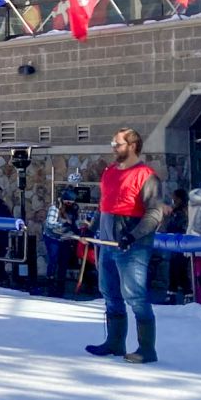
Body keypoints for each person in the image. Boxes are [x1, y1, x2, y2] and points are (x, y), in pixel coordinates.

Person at [85, 128, 163, 364]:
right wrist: (90, 228)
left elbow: (155, 213)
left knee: (136, 297)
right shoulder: (109, 171)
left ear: (132, 145)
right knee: (110, 294)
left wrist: (133, 235)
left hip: (132, 248)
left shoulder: (146, 175)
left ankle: (147, 348)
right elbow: (104, 205)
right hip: (107, 245)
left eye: (117, 144)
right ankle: (115, 342)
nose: (113, 147)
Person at [43, 189, 81, 298]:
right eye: (67, 201)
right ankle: (50, 282)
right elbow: (50, 224)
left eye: (71, 202)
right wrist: (63, 225)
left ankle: (61, 284)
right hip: (52, 237)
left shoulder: (74, 210)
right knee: (53, 258)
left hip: (65, 238)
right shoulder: (55, 208)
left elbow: (76, 223)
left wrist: (77, 229)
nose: (69, 204)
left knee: (64, 261)